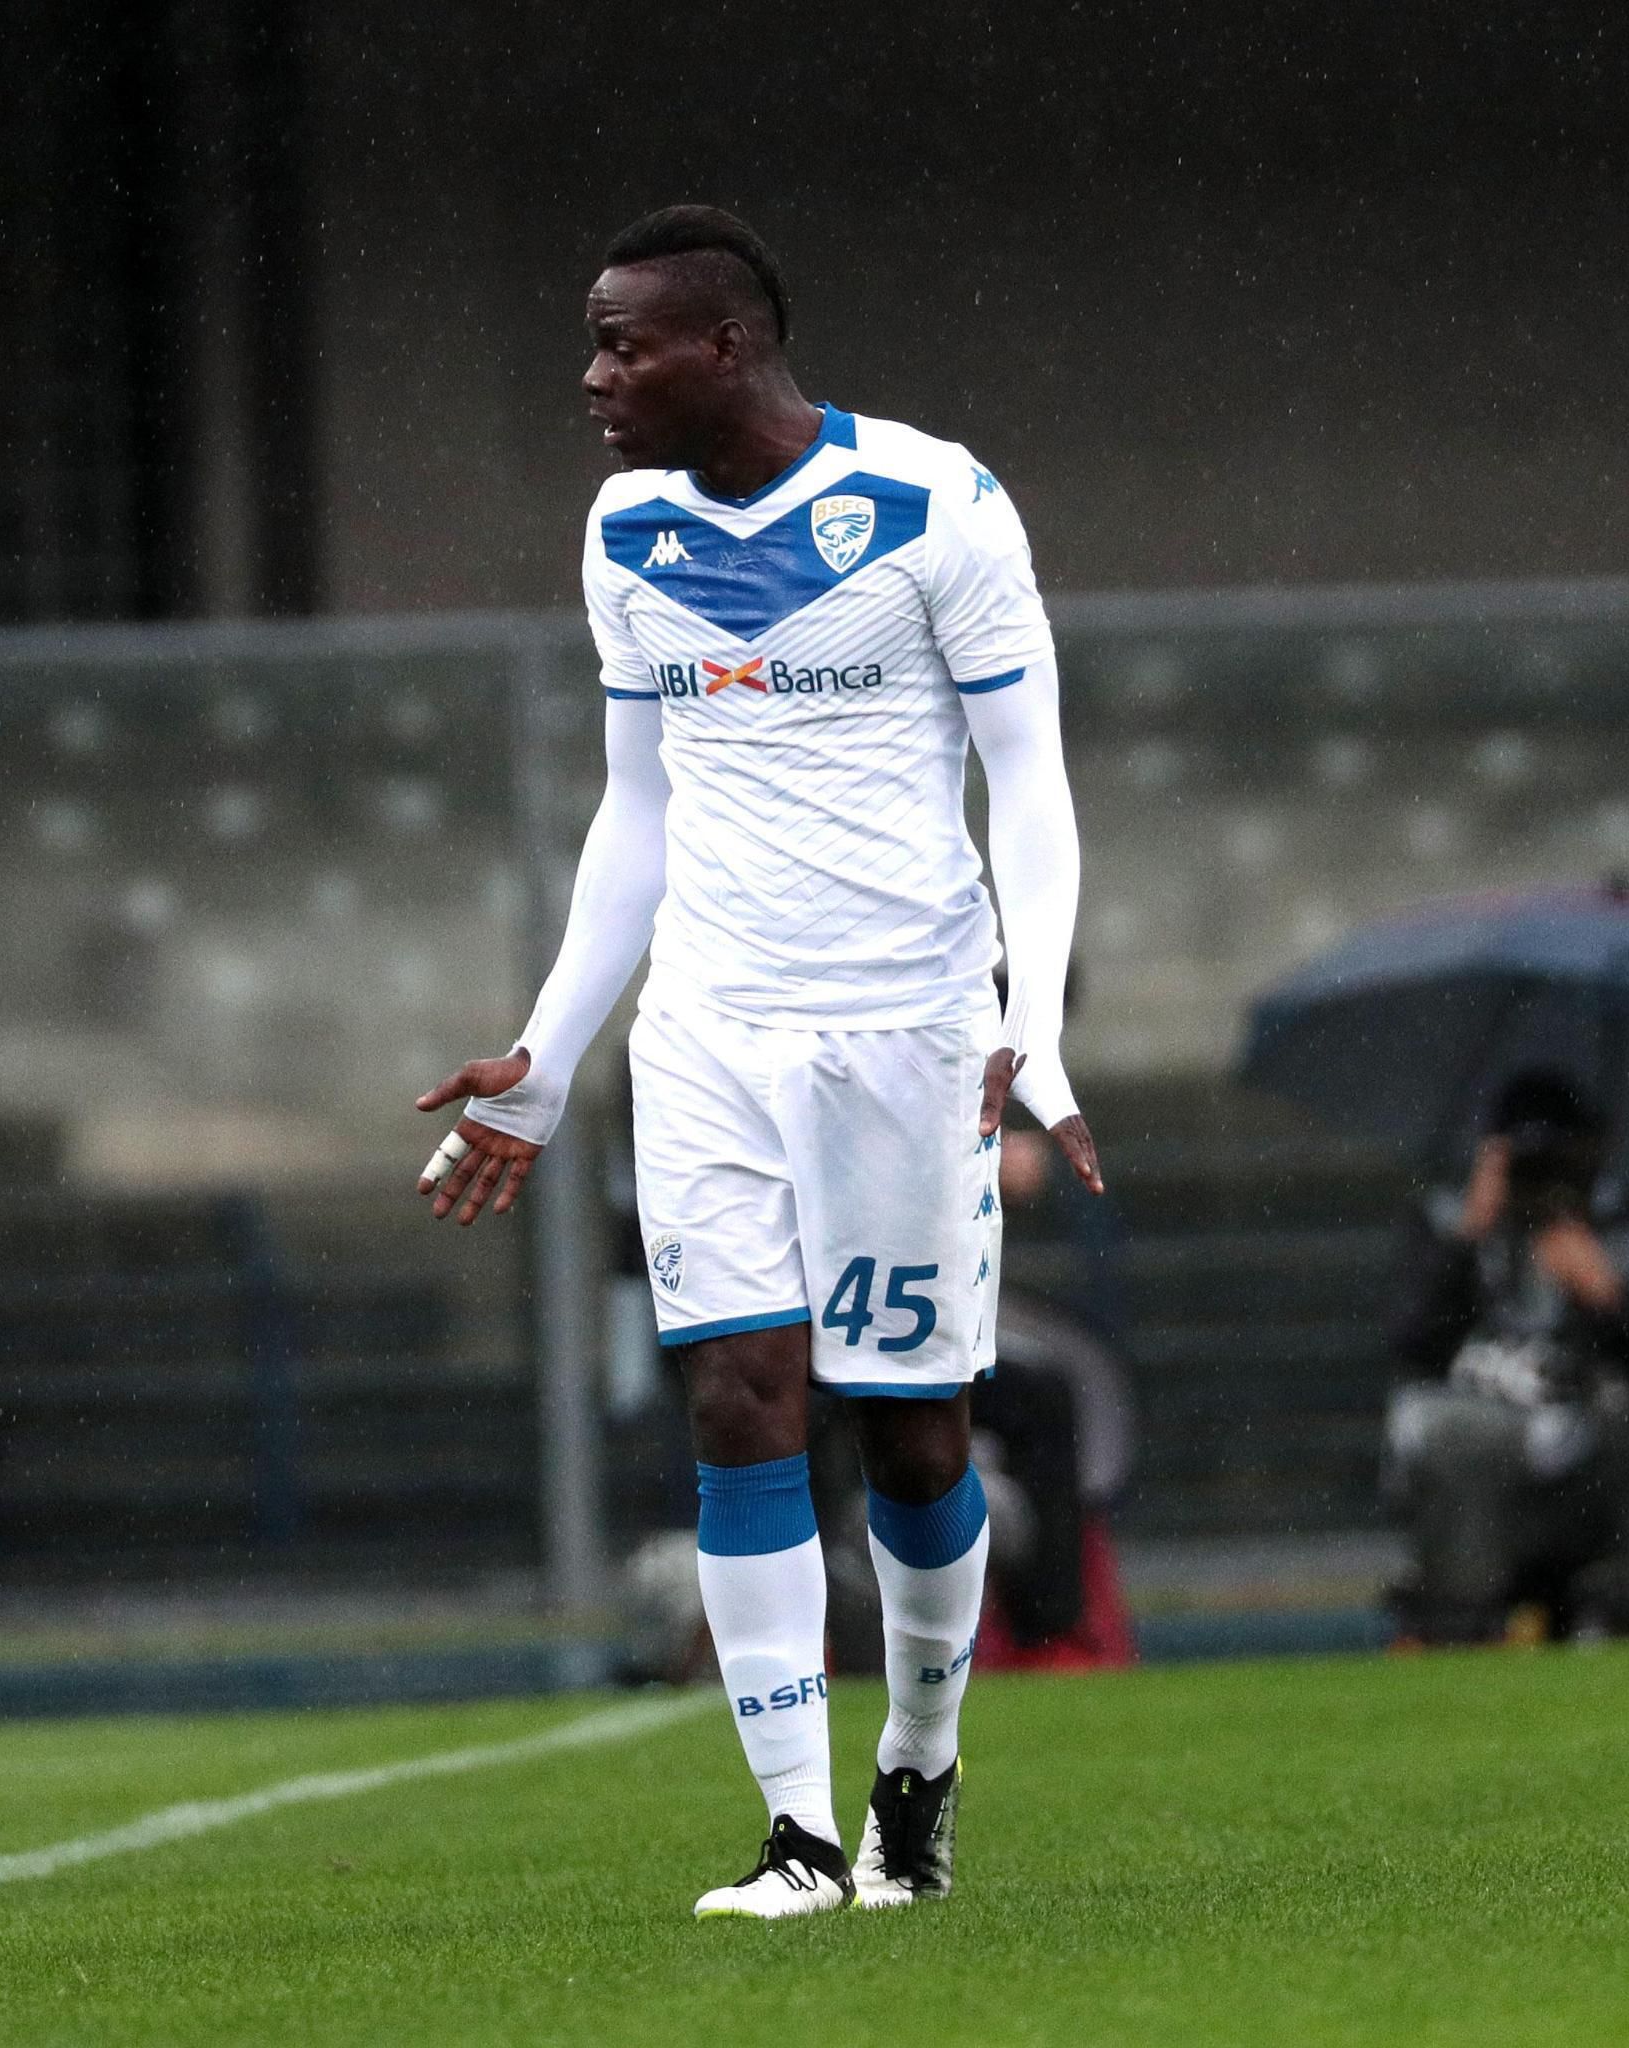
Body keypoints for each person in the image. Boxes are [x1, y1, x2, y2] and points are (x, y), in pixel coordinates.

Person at [413, 207, 1099, 1917]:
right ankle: (798, 1833)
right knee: (738, 1401)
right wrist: (550, 1054)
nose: (591, 380)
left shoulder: (940, 503)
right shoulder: (624, 524)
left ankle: (917, 1768)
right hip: (710, 1025)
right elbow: (636, 810)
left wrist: (1042, 1015)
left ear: (724, 345)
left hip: (906, 1027)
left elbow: (1026, 776)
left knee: (913, 1435)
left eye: (621, 345)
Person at [1383, 1069, 1629, 1645]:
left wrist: (1602, 1295)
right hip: (1489, 1476)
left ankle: (1625, 1615)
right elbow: (1414, 1347)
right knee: (1445, 1425)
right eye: (1523, 1155)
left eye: (1557, 1154)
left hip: (1601, 1465)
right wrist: (1469, 1238)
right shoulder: (1451, 1223)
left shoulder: (1626, 1230)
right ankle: (1461, 1623)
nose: (1540, 1173)